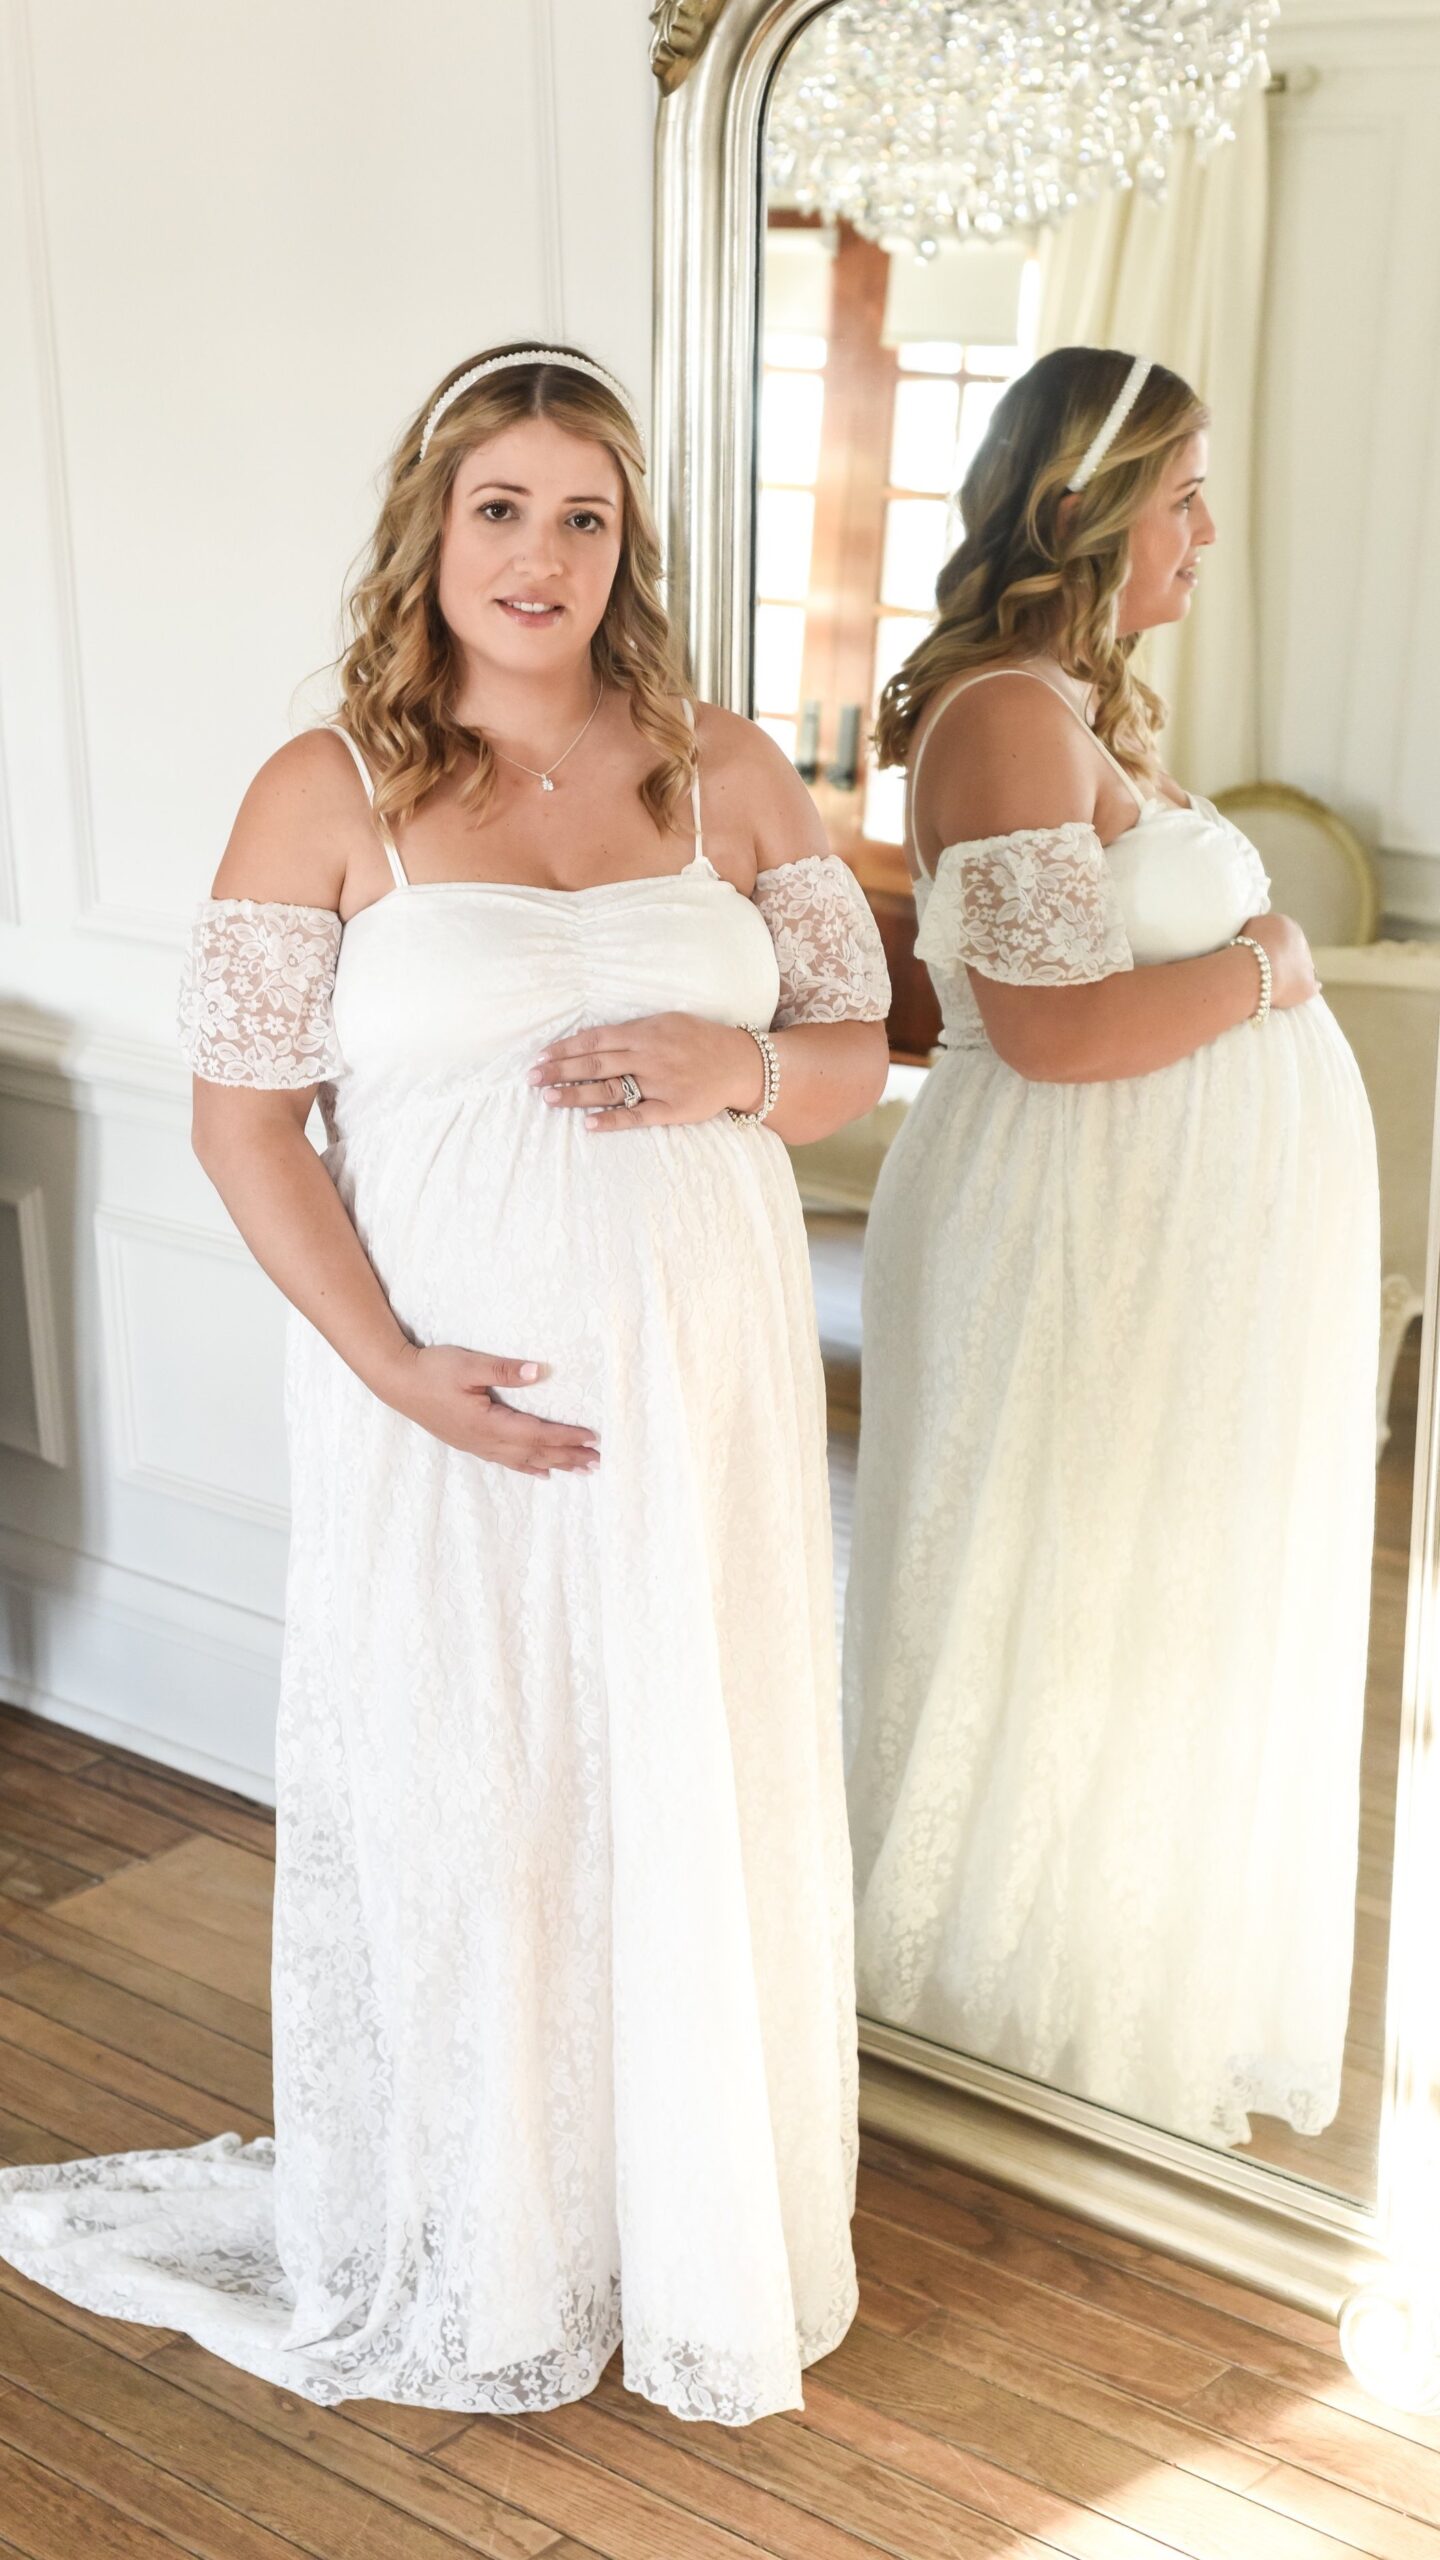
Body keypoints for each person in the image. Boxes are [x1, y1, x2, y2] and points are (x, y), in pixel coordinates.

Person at [0, 343, 892, 2421]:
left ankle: (686, 2223)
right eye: (505, 507)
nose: (544, 555)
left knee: (686, 1764)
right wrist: (397, 1367)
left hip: (708, 1387)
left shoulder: (729, 769)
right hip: (451, 1400)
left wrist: (734, 1065)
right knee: (486, 1794)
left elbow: (852, 1055)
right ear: (433, 525)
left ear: (627, 549)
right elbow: (243, 1123)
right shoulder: (327, 787)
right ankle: (491, 2239)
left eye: (587, 516)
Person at [843, 347, 1379, 2149]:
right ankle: (977, 2009)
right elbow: (1055, 1030)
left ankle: (1078, 1985)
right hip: (1046, 1235)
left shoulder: (1075, 711)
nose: (1210, 532)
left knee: (1115, 1614)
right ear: (1085, 513)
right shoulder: (1002, 714)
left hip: (1121, 1248)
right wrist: (1263, 970)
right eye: (1187, 494)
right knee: (1035, 1599)